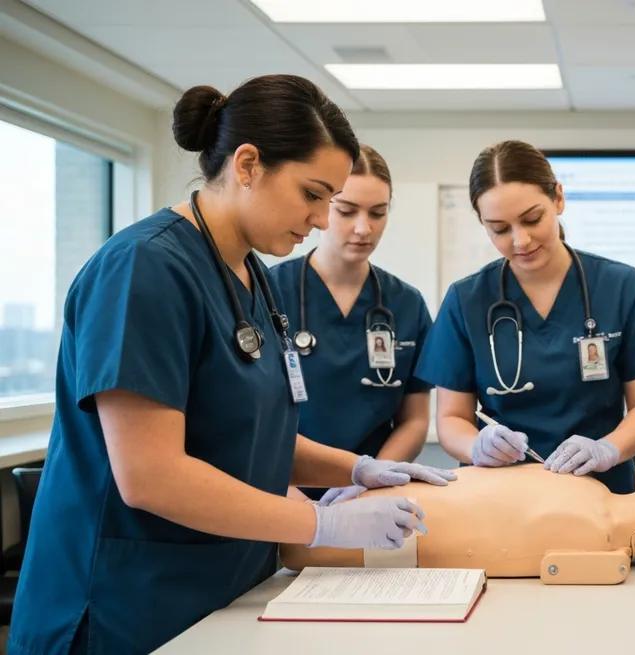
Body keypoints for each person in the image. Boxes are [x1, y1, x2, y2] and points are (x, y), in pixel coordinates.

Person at [7, 75, 451, 655]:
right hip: (123, 604)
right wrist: (324, 525)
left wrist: (357, 468)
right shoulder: (144, 269)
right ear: (247, 165)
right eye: (313, 194)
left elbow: (246, 436)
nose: (323, 220)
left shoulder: (251, 276)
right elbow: (151, 476)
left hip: (222, 590)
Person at [415, 140, 635, 494]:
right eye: (499, 228)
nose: (520, 240)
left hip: (601, 493)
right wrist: (477, 445)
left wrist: (607, 449)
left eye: (532, 219)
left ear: (558, 198)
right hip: (501, 497)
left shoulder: (619, 286)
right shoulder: (467, 300)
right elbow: (451, 419)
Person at [271, 145, 445, 502]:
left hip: (371, 495)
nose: (363, 228)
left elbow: (414, 420)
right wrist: (285, 490)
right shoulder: (268, 292)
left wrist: (371, 479)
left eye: (378, 213)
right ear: (321, 206)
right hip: (281, 489)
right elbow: (249, 415)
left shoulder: (406, 304)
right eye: (347, 211)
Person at [281, 456, 635, 577]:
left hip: (345, 537)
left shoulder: (593, 537)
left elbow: (299, 548)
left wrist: (327, 526)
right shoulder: (591, 490)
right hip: (354, 509)